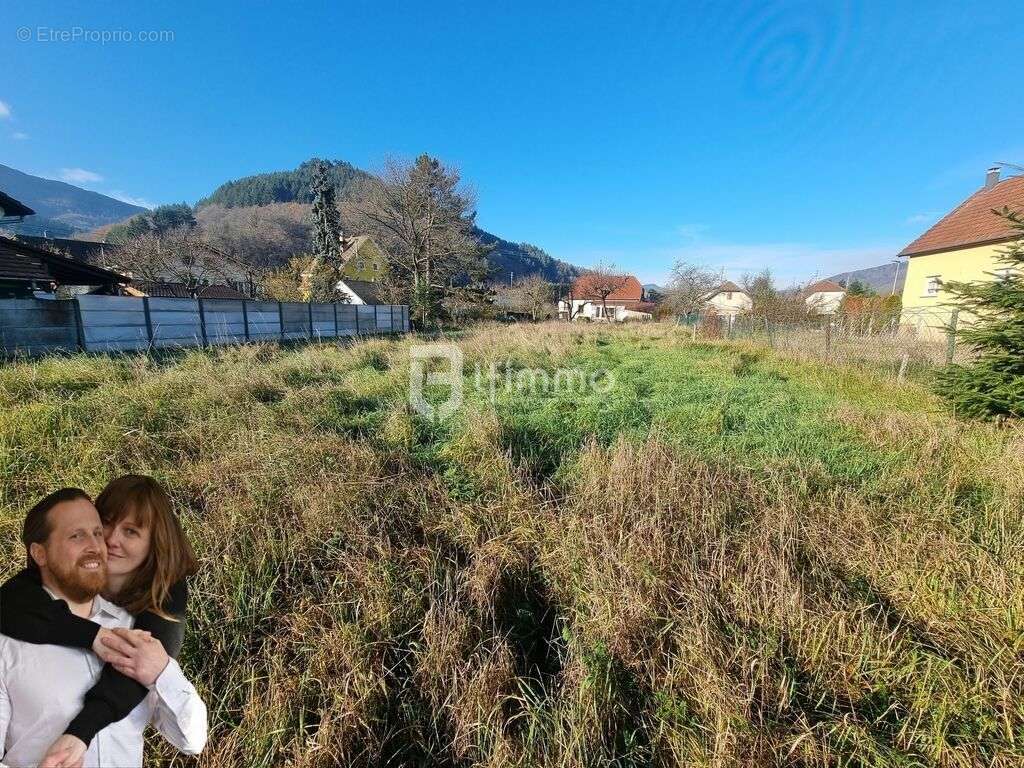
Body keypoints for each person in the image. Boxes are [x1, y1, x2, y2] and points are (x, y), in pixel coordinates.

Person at [0, 483, 206, 768]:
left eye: (131, 531)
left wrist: (163, 672)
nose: (106, 541)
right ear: (39, 553)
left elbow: (192, 740)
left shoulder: (141, 630)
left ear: (153, 547)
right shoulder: (10, 634)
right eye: (102, 526)